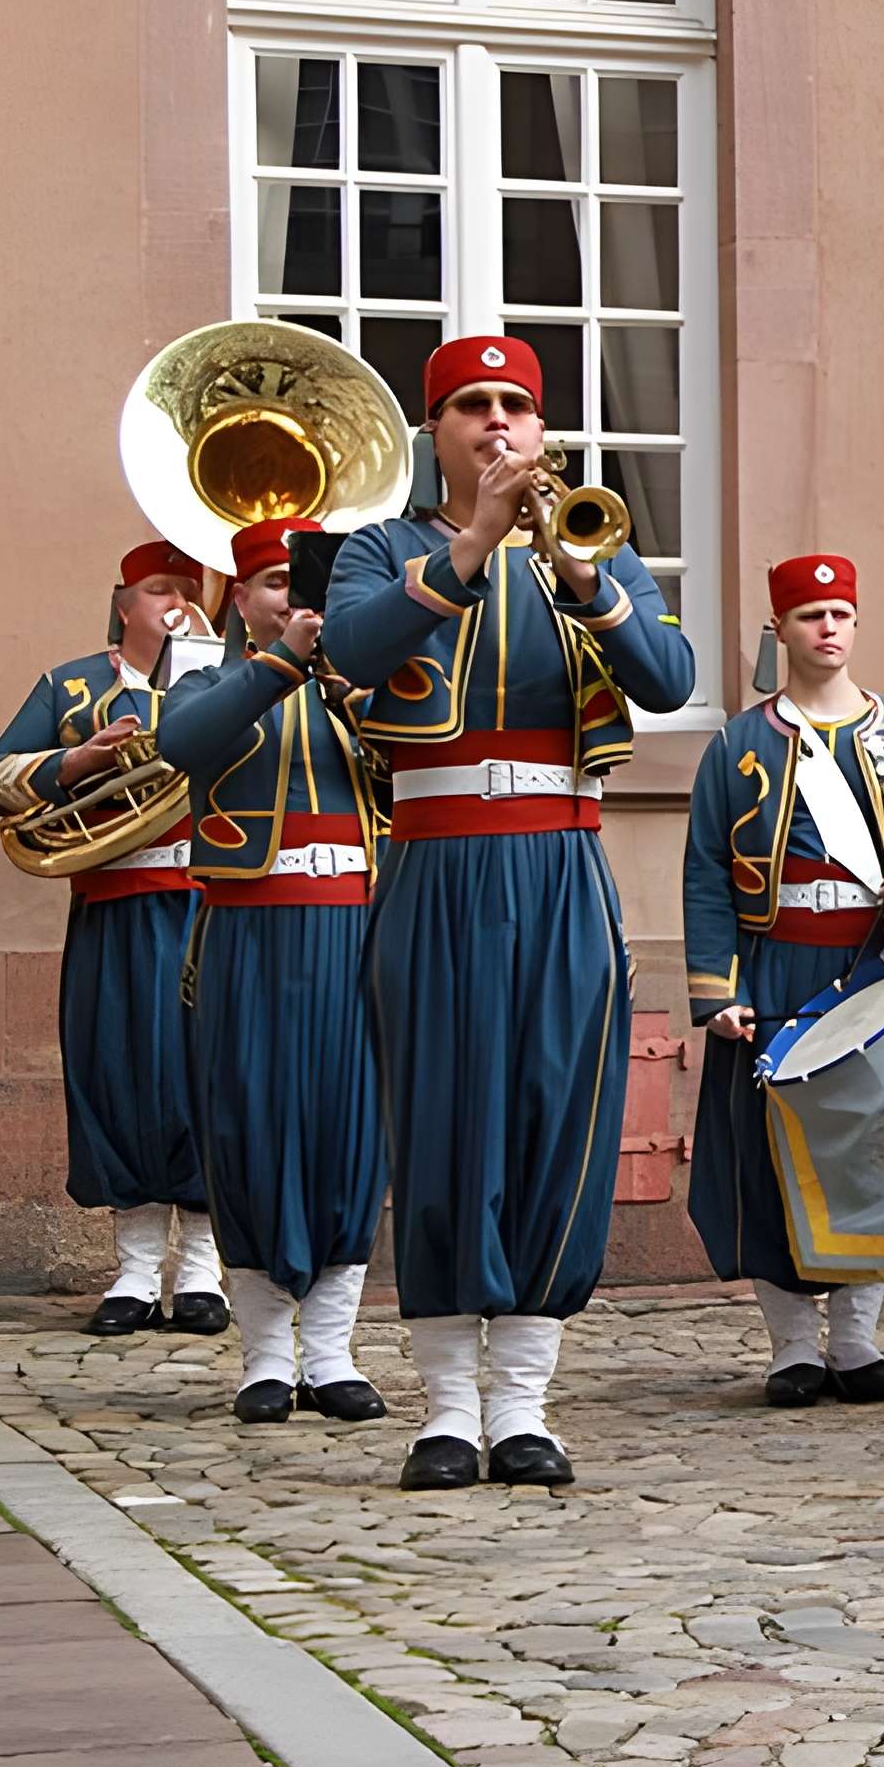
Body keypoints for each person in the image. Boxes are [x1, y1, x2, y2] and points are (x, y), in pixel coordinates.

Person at [323, 334, 696, 1491]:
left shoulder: (592, 543)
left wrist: (586, 579)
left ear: (544, 433)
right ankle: (443, 1406)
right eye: (472, 407)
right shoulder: (380, 548)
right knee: (439, 1117)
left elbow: (670, 680)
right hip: (435, 855)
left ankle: (526, 1401)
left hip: (560, 857)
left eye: (516, 409)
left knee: (555, 1116)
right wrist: (475, 542)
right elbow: (352, 648)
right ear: (433, 432)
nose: (498, 426)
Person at [685, 554, 884, 1409]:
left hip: (875, 969)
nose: (828, 628)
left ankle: (855, 1344)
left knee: (872, 1153)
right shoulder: (738, 744)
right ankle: (791, 1349)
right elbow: (709, 870)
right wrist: (718, 989)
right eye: (810, 614)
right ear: (778, 629)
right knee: (769, 1157)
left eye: (841, 614)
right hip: (775, 963)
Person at [159, 517, 389, 1425]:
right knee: (247, 1125)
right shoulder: (215, 679)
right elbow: (186, 744)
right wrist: (281, 665)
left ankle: (330, 1351)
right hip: (248, 930)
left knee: (348, 1132)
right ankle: (262, 1357)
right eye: (269, 584)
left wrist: (348, 679)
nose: (291, 601)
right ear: (239, 599)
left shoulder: (371, 685)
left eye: (305, 586)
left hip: (352, 929)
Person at [0, 539, 225, 1337]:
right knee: (117, 1075)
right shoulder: (73, 683)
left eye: (189, 588)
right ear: (124, 603)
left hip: (209, 903)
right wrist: (74, 762)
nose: (177, 601)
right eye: (159, 588)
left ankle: (202, 1271)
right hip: (114, 902)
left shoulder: (232, 679)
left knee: (206, 1078)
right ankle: (132, 1269)